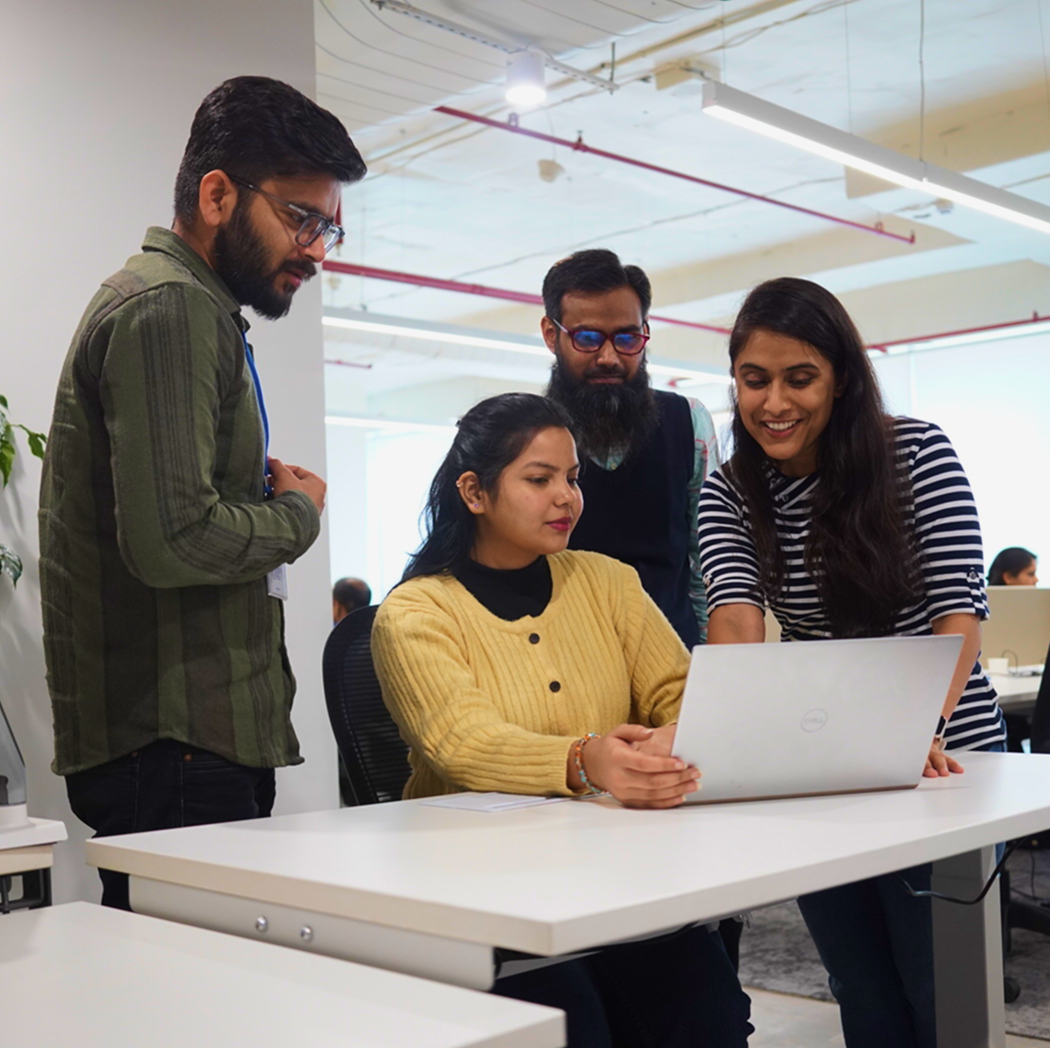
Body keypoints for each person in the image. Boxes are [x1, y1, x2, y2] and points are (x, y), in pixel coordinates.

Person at [39, 76, 366, 910]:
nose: (318, 248)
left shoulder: (189, 308)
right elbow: (175, 539)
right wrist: (297, 516)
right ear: (218, 193)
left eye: (329, 226)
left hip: (176, 746)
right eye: (301, 217)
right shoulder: (172, 308)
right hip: (174, 747)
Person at [372, 393, 752, 1048]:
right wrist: (584, 759)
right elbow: (463, 743)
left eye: (572, 478)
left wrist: (675, 736)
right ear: (475, 491)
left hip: (618, 880)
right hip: (486, 895)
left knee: (711, 1017)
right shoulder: (415, 612)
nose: (566, 498)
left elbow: (683, 691)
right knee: (574, 1028)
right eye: (539, 479)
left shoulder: (607, 581)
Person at [697, 277, 1006, 1048]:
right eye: (754, 379)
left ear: (840, 379)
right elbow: (735, 620)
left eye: (800, 378)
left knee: (938, 981)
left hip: (946, 756)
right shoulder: (728, 491)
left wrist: (915, 731)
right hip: (824, 764)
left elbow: (956, 615)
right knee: (860, 984)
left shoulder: (914, 453)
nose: (775, 402)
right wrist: (731, 740)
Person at [541, 249, 719, 650]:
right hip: (567, 664)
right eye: (587, 338)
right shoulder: (526, 433)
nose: (609, 358)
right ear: (552, 335)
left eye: (627, 338)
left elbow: (706, 563)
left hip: (674, 660)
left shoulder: (688, 421)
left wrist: (710, 668)